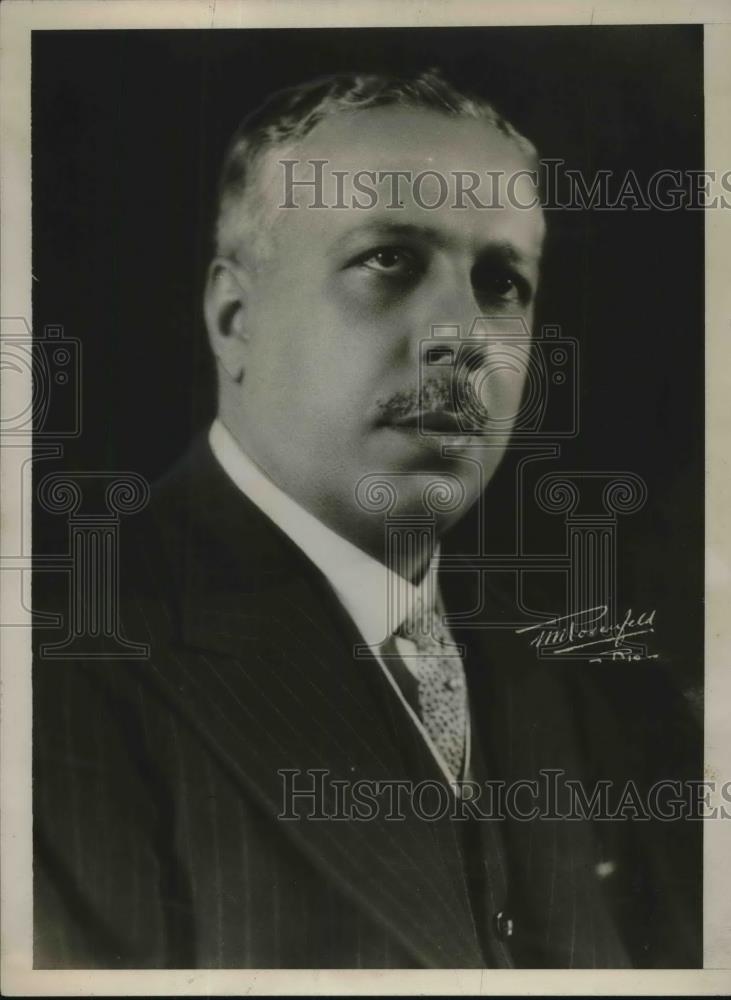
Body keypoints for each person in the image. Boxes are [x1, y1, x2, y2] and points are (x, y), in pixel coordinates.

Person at [33, 70, 701, 969]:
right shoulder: (54, 675)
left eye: (502, 281)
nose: (464, 334)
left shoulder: (617, 696)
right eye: (387, 259)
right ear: (234, 318)